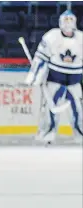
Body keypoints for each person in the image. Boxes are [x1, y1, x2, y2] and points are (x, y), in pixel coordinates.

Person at [25, 10, 82, 144]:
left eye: (71, 20)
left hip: (75, 81)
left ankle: (80, 136)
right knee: (50, 109)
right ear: (60, 22)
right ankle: (46, 135)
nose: (68, 24)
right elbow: (40, 58)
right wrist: (34, 76)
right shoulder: (51, 36)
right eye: (66, 20)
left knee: (79, 110)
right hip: (55, 79)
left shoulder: (81, 38)